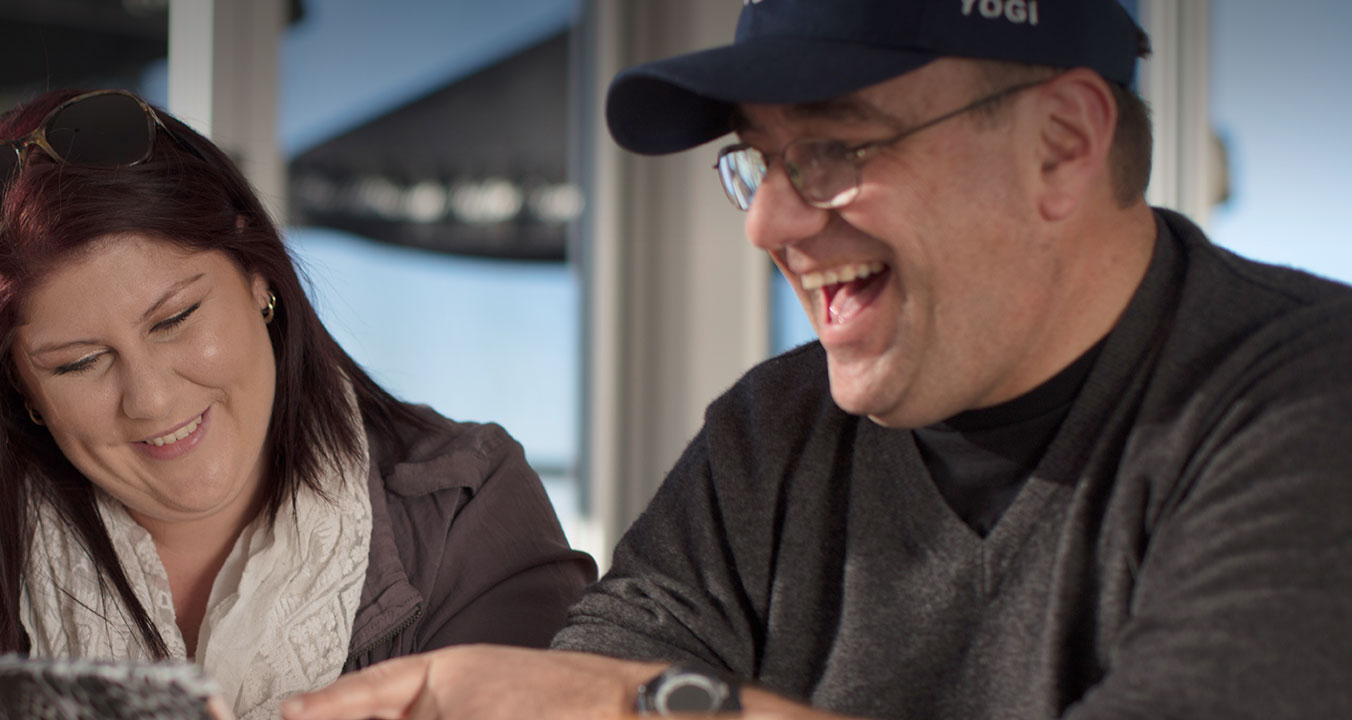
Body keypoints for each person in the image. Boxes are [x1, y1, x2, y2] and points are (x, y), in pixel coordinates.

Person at [285, 1, 1352, 718]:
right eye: (755, 162)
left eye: (833, 152)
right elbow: (586, 673)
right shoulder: (771, 431)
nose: (768, 226)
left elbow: (597, 697)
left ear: (1060, 144)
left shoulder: (1306, 398)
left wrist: (636, 707)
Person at [0, 88, 594, 720]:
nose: (151, 397)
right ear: (20, 391)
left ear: (258, 278)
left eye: (174, 320)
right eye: (79, 361)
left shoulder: (462, 511)